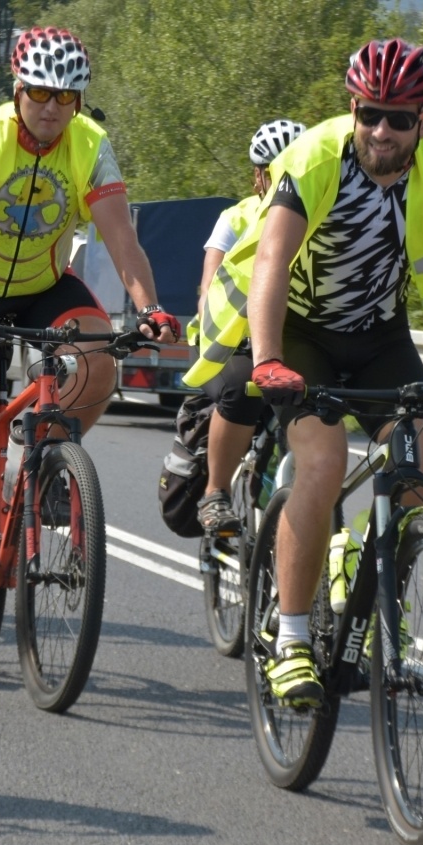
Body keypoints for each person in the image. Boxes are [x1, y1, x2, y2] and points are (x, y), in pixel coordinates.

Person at [189, 38, 423, 707]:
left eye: (400, 118)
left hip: (379, 333)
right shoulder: (314, 158)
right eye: (370, 115)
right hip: (302, 331)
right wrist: (267, 358)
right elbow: (272, 261)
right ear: (352, 109)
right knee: (323, 462)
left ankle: (367, 560)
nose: (381, 131)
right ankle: (293, 641)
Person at [0, 26, 179, 641]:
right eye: (39, 92)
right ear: (17, 89)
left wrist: (150, 307)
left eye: (66, 98)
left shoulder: (90, 144)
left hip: (42, 283)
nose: (50, 108)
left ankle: (44, 460)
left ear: (80, 103)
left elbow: (122, 240)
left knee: (99, 361)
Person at [191, 119, 305, 538]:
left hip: (291, 343)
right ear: (258, 175)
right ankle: (215, 492)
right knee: (243, 387)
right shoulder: (235, 217)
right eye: (273, 170)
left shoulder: (321, 212)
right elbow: (211, 284)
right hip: (229, 344)